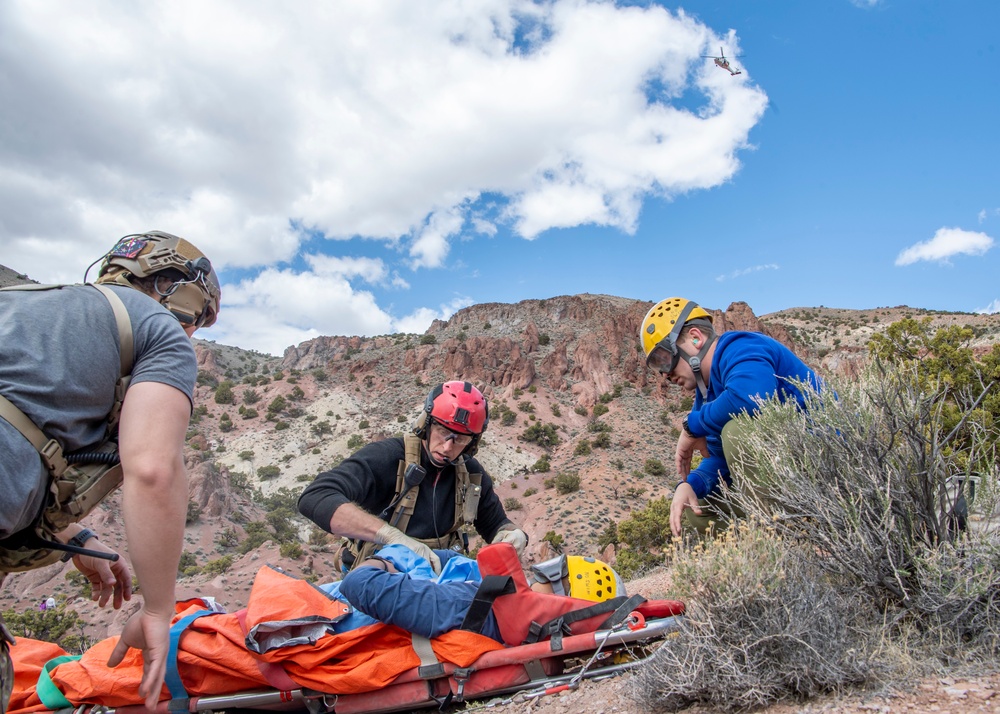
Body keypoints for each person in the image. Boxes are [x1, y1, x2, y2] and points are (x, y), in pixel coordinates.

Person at [0, 231, 221, 711]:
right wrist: (159, 609)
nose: (192, 334)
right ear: (177, 289)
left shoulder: (14, 301)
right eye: (198, 319)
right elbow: (152, 469)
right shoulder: (157, 330)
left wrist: (76, 538)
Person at [299, 381, 528, 573]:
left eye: (460, 439)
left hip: (438, 575)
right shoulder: (389, 457)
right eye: (442, 431)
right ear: (425, 425)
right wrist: (389, 536)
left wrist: (513, 535)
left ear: (472, 442)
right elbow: (315, 497)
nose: (448, 446)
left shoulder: (471, 474)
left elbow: (494, 523)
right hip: (378, 574)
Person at [640, 297, 820, 537]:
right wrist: (688, 485)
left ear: (696, 338)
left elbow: (750, 398)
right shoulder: (706, 395)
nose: (666, 373)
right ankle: (768, 539)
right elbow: (721, 458)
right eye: (657, 366)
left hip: (824, 465)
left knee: (736, 430)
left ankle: (786, 536)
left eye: (665, 357)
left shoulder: (741, 347)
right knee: (698, 509)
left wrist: (691, 426)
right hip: (789, 477)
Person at [336, 545, 626, 643]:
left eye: (553, 572)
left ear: (561, 597)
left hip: (331, 615)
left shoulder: (477, 607)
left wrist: (385, 559)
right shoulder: (508, 616)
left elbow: (358, 584)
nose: (536, 571)